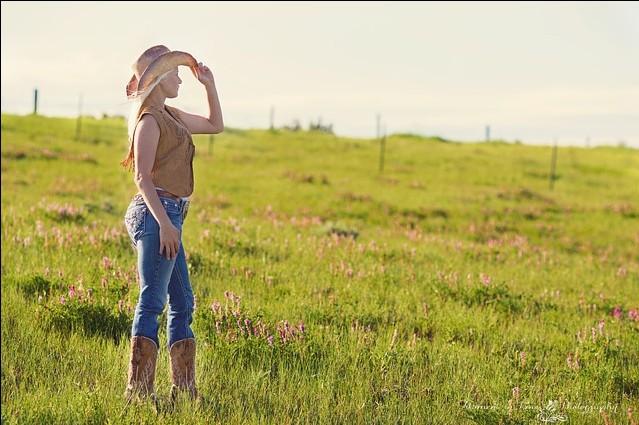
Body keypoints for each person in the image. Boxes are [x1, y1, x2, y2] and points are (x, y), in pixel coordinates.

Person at [120, 44, 223, 407]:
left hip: (170, 214)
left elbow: (215, 125)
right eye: (176, 73)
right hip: (155, 214)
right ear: (161, 79)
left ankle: (184, 390)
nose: (181, 78)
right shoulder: (149, 120)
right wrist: (165, 225)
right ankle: (139, 393)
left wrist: (209, 85)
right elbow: (142, 177)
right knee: (152, 301)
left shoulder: (171, 114)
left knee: (183, 301)